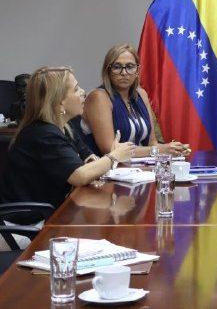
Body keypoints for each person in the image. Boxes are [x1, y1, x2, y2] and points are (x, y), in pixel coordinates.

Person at [0, 67, 134, 209]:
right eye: (76, 89)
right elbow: (79, 176)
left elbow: (87, 157)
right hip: (28, 217)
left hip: (52, 210)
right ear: (59, 102)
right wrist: (114, 157)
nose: (83, 92)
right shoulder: (43, 134)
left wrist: (96, 164)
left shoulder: (65, 126)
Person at [80, 44, 190, 157]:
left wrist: (174, 149)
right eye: (117, 67)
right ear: (108, 71)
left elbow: (152, 143)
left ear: (137, 70)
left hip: (139, 166)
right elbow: (109, 149)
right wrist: (160, 150)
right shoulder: (98, 97)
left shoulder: (141, 94)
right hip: (105, 166)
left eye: (130, 67)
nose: (124, 73)